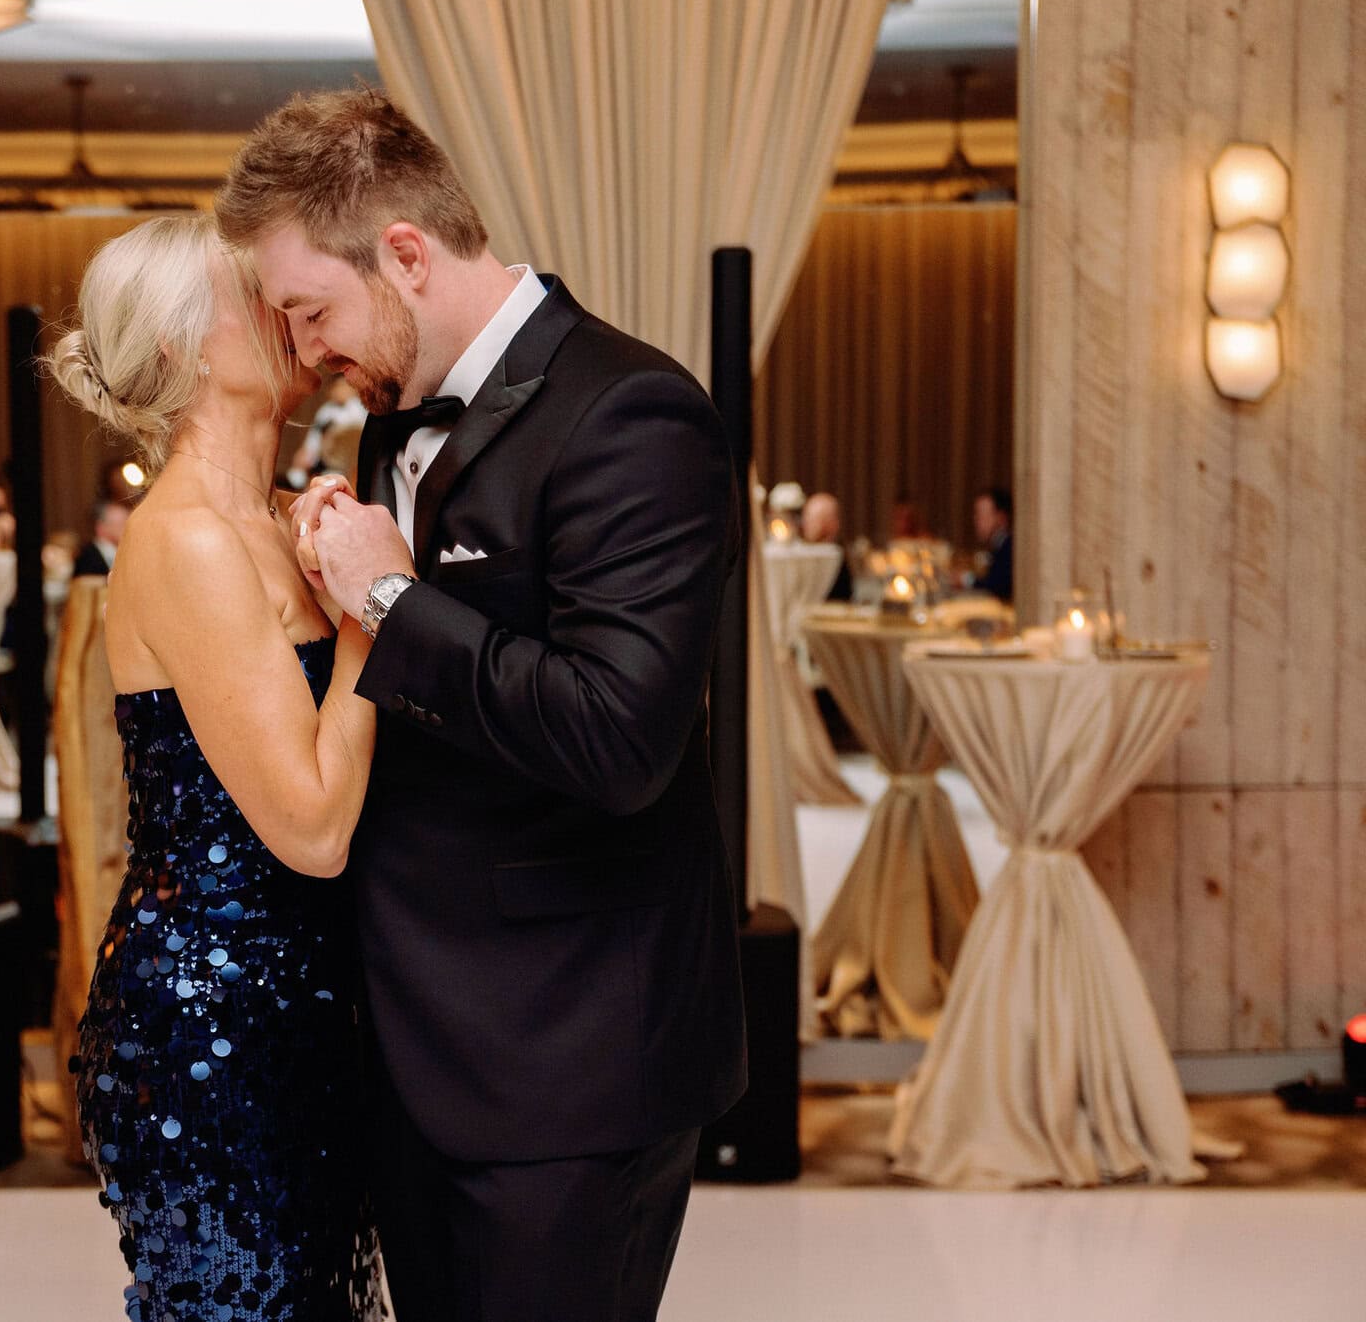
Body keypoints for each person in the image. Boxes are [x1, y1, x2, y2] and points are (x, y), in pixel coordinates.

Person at [221, 88, 746, 1322]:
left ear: (402, 254)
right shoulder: (389, 416)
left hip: (571, 1056)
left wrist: (395, 606)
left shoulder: (633, 414)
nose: (305, 356)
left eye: (311, 312)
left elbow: (619, 739)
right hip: (416, 1041)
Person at [50, 215, 386, 1322]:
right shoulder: (187, 536)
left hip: (298, 1011)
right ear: (193, 347)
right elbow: (313, 828)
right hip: (212, 1028)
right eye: (253, 295)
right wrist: (375, 615)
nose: (289, 310)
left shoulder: (268, 518)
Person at [802, 491, 852, 603]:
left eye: (814, 519)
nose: (806, 523)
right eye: (806, 517)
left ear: (832, 523)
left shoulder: (835, 559)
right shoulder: (801, 554)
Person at [972, 486, 1014, 602]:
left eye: (982, 516)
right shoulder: (999, 544)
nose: (977, 522)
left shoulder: (1009, 547)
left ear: (1001, 518)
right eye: (976, 516)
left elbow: (996, 586)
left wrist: (966, 580)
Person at [71, 500, 128, 578]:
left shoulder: (128, 552)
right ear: (101, 527)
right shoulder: (85, 557)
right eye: (121, 524)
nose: (127, 529)